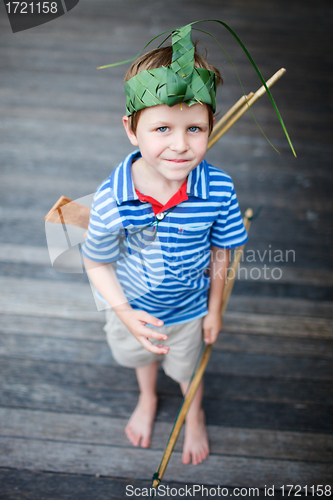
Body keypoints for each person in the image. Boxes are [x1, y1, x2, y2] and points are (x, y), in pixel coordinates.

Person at [82, 24, 248, 466]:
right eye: (162, 128)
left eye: (195, 128)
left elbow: (221, 251)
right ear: (132, 130)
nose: (179, 145)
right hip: (133, 305)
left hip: (190, 308)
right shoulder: (113, 198)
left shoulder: (219, 189)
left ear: (212, 124)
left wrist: (213, 309)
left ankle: (194, 412)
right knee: (141, 355)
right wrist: (126, 314)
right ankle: (147, 396)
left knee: (189, 368)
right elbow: (95, 261)